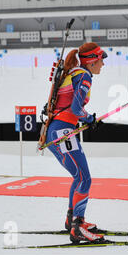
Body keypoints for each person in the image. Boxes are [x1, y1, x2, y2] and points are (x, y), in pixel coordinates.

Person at [45, 42, 106, 243]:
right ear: (92, 61)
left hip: (58, 131)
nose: (102, 65)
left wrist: (87, 118)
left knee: (78, 176)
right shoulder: (85, 76)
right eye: (101, 60)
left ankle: (72, 220)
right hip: (62, 132)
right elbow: (77, 108)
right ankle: (77, 227)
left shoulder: (73, 73)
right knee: (84, 178)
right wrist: (89, 119)